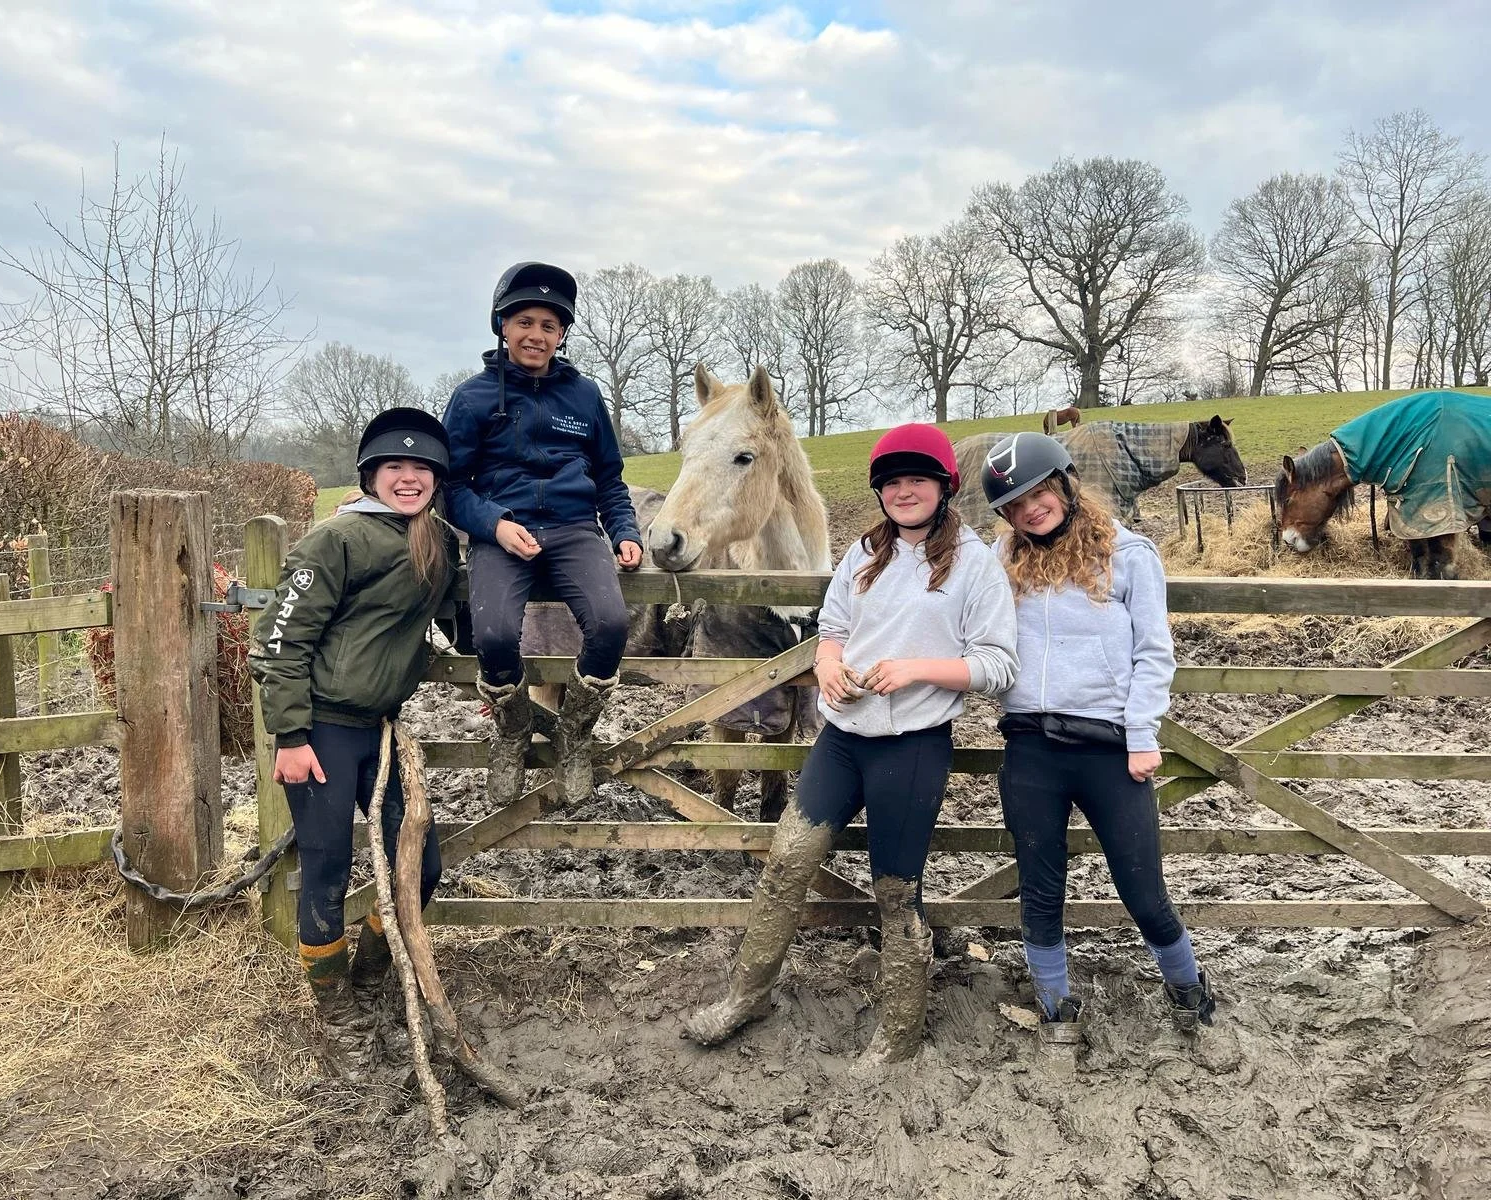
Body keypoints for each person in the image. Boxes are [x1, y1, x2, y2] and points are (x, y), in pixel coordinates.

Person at [684, 424, 1018, 1069]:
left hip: (912, 746)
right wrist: (829, 663)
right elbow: (832, 625)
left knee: (895, 889)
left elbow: (999, 664)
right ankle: (747, 995)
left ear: (944, 487)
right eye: (892, 482)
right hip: (843, 738)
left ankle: (899, 1032)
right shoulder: (865, 552)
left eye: (917, 479)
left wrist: (918, 669)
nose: (904, 491)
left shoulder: (974, 564)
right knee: (787, 860)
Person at [981, 431, 1216, 1035]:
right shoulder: (999, 559)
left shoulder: (1128, 553)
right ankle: (1055, 1007)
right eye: (1013, 505)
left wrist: (1141, 733)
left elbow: (1154, 653)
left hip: (1109, 749)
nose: (1029, 510)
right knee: (1040, 891)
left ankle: (1188, 989)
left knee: (1142, 889)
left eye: (1038, 493)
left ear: (1065, 483)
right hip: (1030, 746)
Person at [248, 407, 459, 1078]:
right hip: (323, 731)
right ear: (370, 475)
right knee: (328, 868)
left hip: (383, 730)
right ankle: (335, 1008)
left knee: (422, 865)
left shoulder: (438, 542)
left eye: (421, 467)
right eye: (395, 466)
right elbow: (280, 640)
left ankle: (370, 976)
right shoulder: (334, 540)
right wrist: (290, 735)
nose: (408, 477)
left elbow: (459, 616)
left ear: (438, 478)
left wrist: (496, 671)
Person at [442, 261, 642, 806]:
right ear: (502, 326)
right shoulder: (471, 398)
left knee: (611, 624)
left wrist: (624, 530)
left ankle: (574, 735)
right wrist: (495, 525)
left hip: (574, 529)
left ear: (562, 334)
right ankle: (512, 731)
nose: (536, 335)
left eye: (549, 326)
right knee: (493, 636)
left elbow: (609, 478)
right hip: (503, 533)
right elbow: (451, 486)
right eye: (525, 322)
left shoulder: (585, 396)